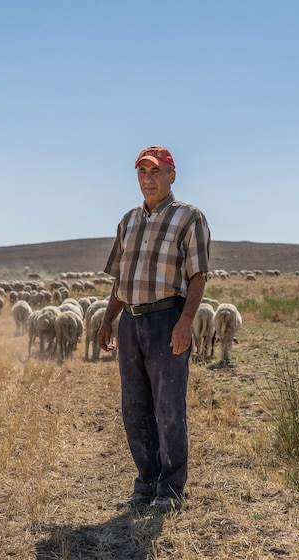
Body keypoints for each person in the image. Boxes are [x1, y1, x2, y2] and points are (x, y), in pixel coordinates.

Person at [97, 145, 211, 513]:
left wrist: (185, 322)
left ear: (171, 175)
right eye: (142, 173)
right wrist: (107, 319)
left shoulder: (188, 217)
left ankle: (171, 490)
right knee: (134, 408)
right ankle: (146, 483)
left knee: (168, 408)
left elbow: (198, 274)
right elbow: (121, 279)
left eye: (155, 172)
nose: (148, 179)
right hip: (131, 320)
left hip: (167, 320)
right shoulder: (128, 221)